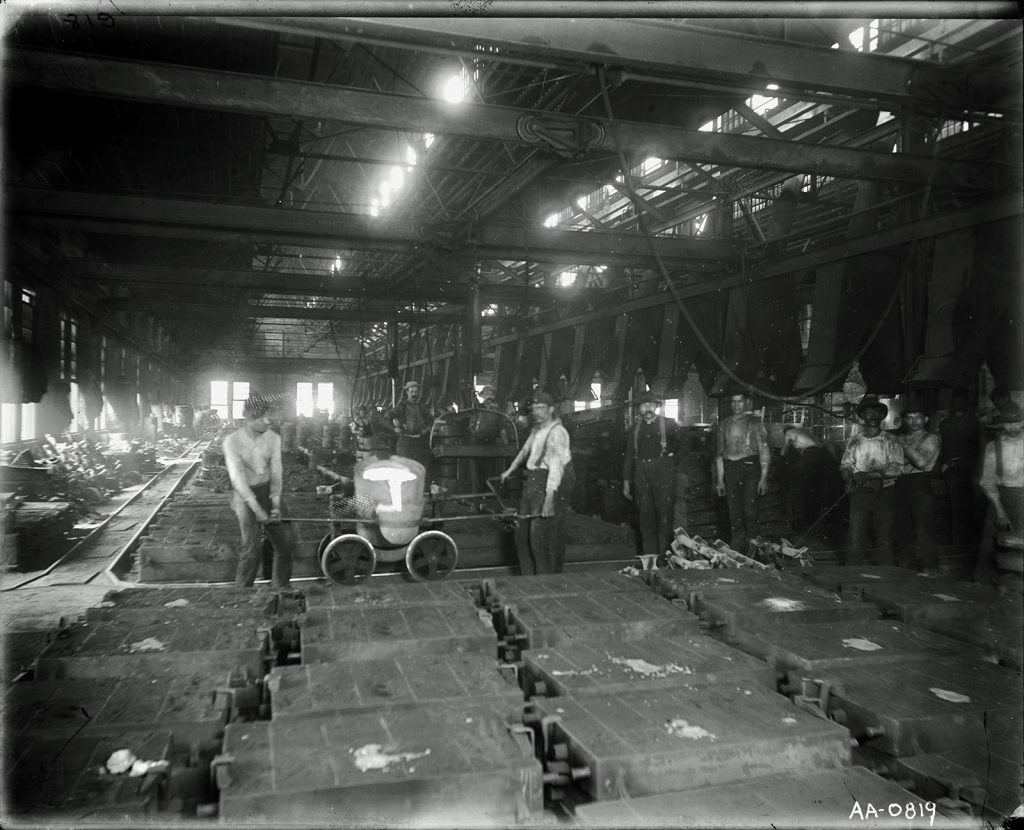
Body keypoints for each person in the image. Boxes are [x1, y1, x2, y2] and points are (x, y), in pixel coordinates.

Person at [222, 395, 297, 589]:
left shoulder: (274, 439)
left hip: (267, 489)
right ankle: (242, 592)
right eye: (262, 418)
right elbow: (238, 480)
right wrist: (258, 512)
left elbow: (277, 473)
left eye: (268, 416)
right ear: (249, 418)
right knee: (252, 547)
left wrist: (275, 505)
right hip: (243, 495)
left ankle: (281, 587)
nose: (268, 421)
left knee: (286, 541)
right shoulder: (232, 442)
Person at [500, 391, 574, 574]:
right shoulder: (537, 429)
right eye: (534, 409)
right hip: (534, 479)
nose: (537, 412)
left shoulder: (557, 433)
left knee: (540, 536)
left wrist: (549, 499)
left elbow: (556, 468)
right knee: (522, 533)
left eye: (541, 408)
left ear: (551, 409)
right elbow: (526, 450)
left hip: (549, 481)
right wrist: (511, 469)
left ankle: (546, 578)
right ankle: (529, 577)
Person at [839, 396, 905, 567]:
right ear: (863, 416)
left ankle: (887, 579)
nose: (873, 416)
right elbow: (845, 465)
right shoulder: (855, 440)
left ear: (882, 416)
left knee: (884, 538)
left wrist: (870, 474)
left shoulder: (891, 440)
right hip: (860, 494)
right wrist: (848, 480)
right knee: (855, 538)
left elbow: (898, 468)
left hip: (885, 493)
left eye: (877, 412)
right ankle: (852, 576)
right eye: (869, 412)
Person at [622, 391, 685, 560]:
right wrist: (626, 481)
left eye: (650, 405)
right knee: (646, 518)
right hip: (641, 471)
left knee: (664, 518)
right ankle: (650, 559)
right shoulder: (635, 428)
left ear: (657, 406)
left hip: (663, 471)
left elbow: (684, 446)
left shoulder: (670, 425)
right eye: (644, 405)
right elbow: (629, 455)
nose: (647, 408)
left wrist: (673, 461)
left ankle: (665, 558)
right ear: (639, 409)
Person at [714, 392, 770, 554]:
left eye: (740, 401)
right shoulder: (724, 424)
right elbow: (719, 455)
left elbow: (764, 452)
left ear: (746, 403)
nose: (736, 405)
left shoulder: (755, 423)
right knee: (734, 511)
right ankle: (737, 547)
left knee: (750, 510)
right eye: (733, 401)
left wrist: (764, 478)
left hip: (751, 468)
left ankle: (753, 547)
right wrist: (720, 480)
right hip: (731, 469)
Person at [976, 401, 1024, 581]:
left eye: (1017, 422)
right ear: (1001, 425)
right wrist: (1000, 511)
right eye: (1008, 423)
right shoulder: (994, 446)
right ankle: (983, 583)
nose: (1013, 427)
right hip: (1001, 496)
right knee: (990, 541)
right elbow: (986, 480)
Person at [894, 401, 941, 572]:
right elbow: (894, 462)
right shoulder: (901, 438)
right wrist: (909, 455)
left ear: (926, 419)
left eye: (918, 417)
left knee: (924, 528)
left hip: (920, 483)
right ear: (905, 420)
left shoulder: (932, 438)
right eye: (910, 418)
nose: (914, 421)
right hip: (900, 483)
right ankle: (905, 566)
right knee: (903, 527)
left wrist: (904, 449)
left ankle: (931, 568)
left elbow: (922, 462)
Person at [781, 427, 845, 541]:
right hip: (821, 454)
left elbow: (784, 451)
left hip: (812, 453)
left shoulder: (790, 433)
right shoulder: (806, 434)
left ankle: (800, 521)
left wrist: (782, 456)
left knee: (799, 487)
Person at [936, 390, 982, 546]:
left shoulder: (945, 424)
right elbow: (977, 447)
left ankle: (957, 541)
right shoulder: (973, 422)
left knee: (955, 507)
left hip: (951, 468)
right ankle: (968, 541)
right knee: (969, 506)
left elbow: (944, 448)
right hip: (970, 467)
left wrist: (946, 464)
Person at [389, 381, 435, 470]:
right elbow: (387, 416)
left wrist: (427, 429)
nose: (414, 394)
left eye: (416, 392)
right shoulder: (401, 406)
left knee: (418, 468)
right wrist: (394, 429)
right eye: (411, 392)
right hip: (405, 443)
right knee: (405, 469)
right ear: (407, 392)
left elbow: (430, 419)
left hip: (419, 443)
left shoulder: (421, 406)